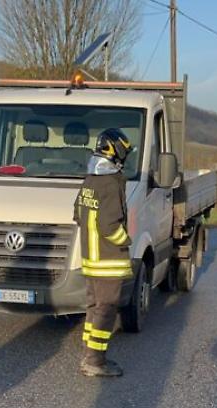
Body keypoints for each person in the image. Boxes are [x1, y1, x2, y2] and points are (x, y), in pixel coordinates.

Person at [74, 128, 134, 377]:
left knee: (94, 307)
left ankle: (88, 354)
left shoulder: (90, 181)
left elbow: (77, 215)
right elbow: (110, 225)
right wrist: (125, 241)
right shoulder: (111, 183)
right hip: (108, 261)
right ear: (116, 151)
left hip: (90, 260)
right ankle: (96, 361)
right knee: (107, 308)